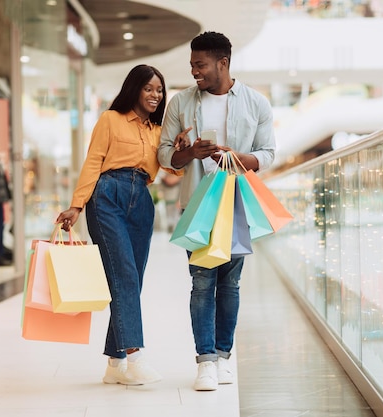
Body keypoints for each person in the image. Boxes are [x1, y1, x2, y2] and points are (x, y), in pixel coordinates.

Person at [157, 31, 276, 391]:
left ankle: (224, 356)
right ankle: (205, 361)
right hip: (197, 204)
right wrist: (191, 152)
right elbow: (165, 155)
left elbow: (268, 154)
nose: (195, 71)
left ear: (222, 63)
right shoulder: (181, 103)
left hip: (238, 203)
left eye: (200, 65)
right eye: (192, 65)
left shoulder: (257, 103)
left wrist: (235, 157)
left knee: (230, 283)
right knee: (202, 281)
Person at [56, 64, 185, 386]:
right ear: (134, 89)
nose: (155, 95)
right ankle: (135, 355)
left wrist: (181, 150)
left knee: (132, 279)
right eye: (149, 88)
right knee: (124, 275)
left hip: (142, 200)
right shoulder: (110, 120)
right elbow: (93, 162)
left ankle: (115, 364)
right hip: (107, 197)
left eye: (159, 89)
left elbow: (172, 172)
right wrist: (77, 205)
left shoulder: (159, 131)